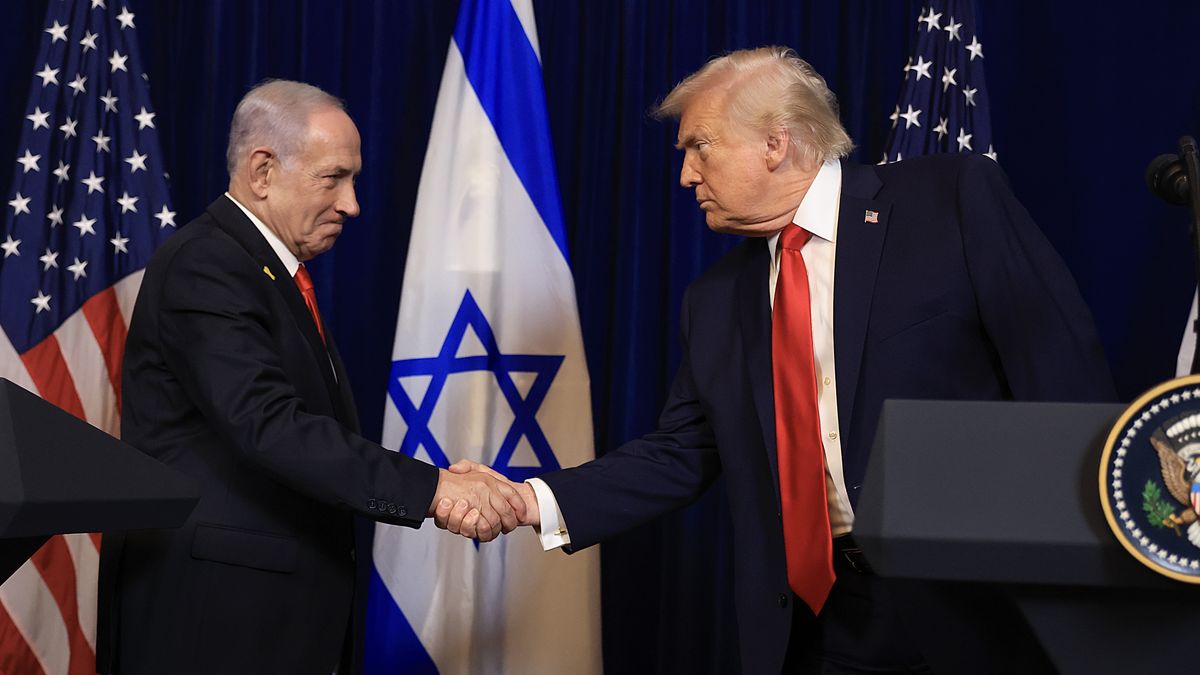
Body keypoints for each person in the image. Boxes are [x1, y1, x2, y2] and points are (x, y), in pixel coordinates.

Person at [446, 47, 1116, 673]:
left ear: (776, 142)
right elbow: (680, 454)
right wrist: (532, 499)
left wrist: (1096, 573)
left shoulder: (948, 202)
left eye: (699, 148)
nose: (685, 174)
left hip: (976, 609)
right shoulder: (713, 300)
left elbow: (1060, 372)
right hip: (816, 625)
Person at [96, 80, 522, 675]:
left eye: (353, 180)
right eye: (334, 178)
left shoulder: (263, 270)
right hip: (215, 620)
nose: (352, 205)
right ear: (263, 171)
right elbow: (269, 425)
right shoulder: (208, 264)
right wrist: (436, 489)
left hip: (267, 614)